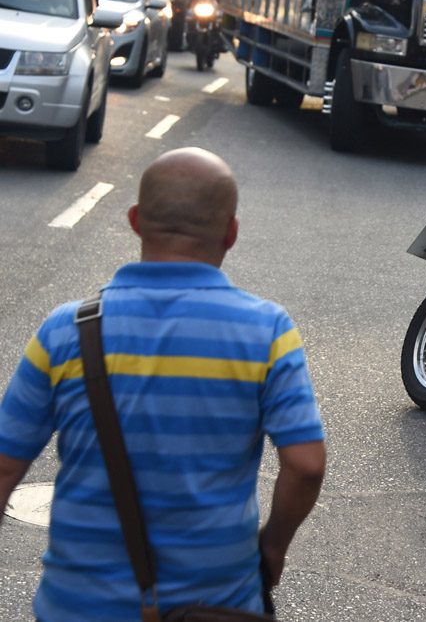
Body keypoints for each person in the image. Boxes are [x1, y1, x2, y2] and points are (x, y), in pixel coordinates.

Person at [0, 148, 326, 621]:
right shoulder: (268, 332)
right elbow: (306, 466)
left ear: (134, 221)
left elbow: (5, 467)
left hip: (76, 606)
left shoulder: (65, 330)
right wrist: (273, 545)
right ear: (231, 232)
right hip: (216, 607)